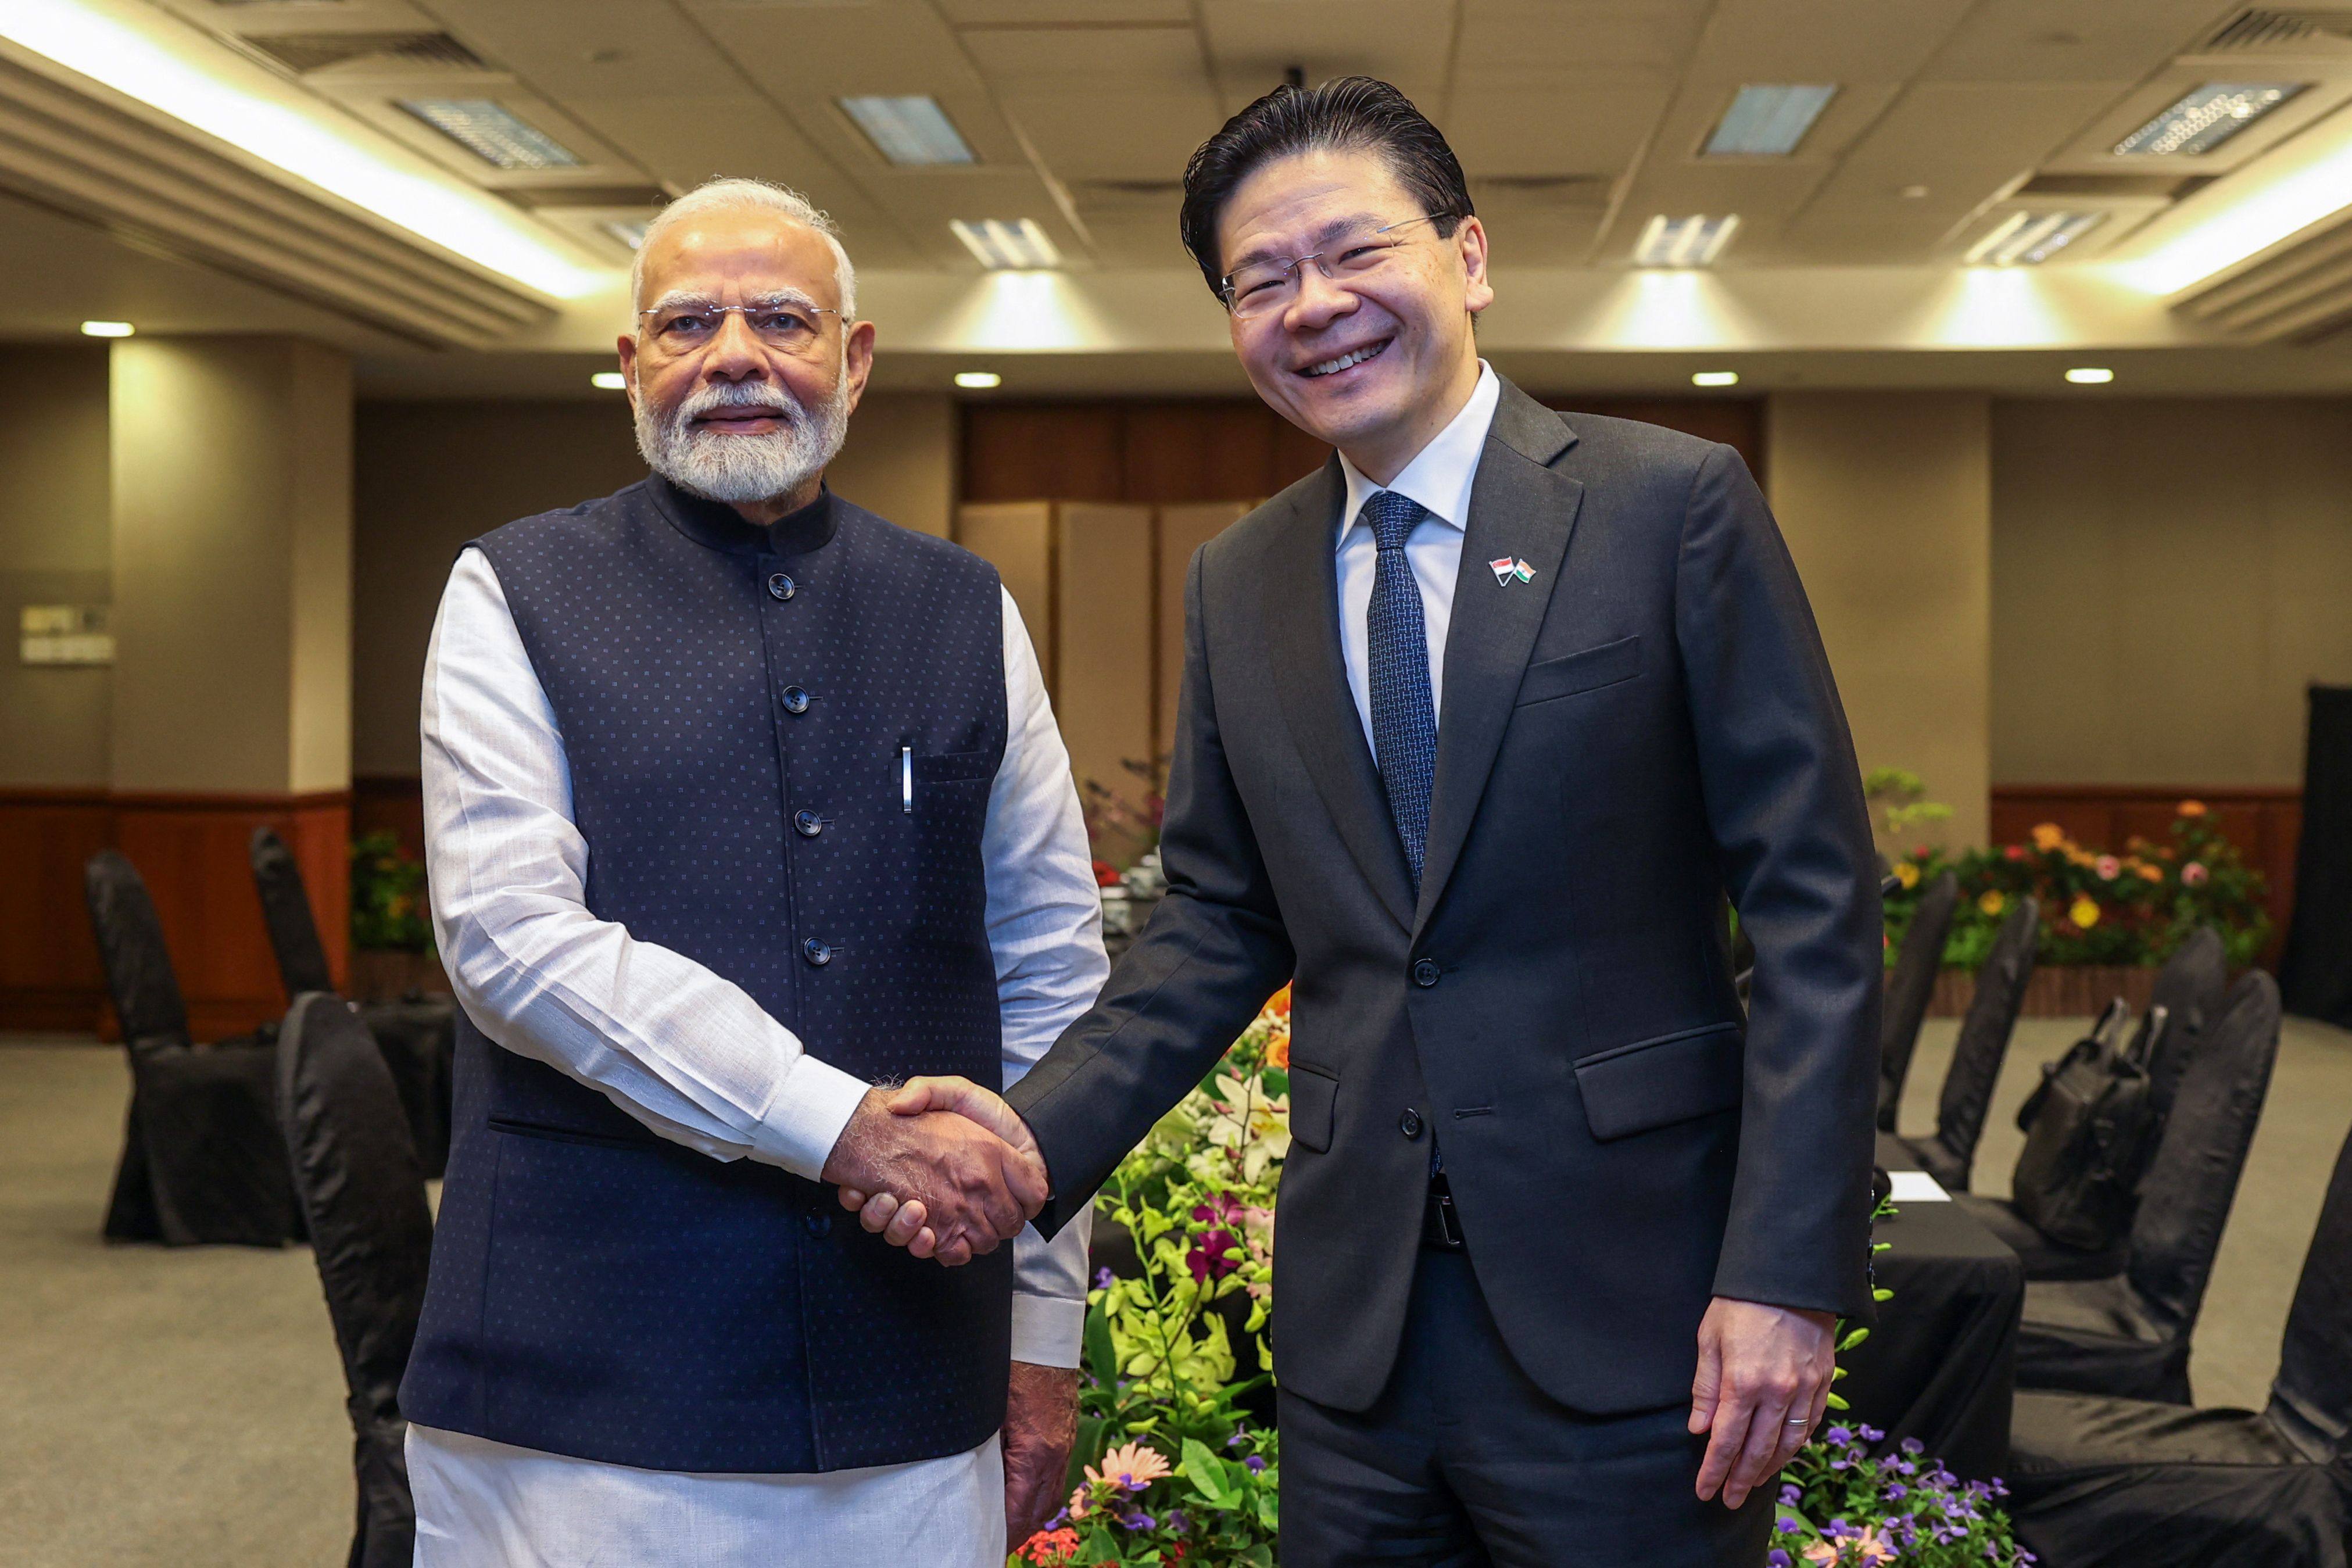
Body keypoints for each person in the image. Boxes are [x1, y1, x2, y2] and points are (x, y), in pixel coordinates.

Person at [849, 78, 1882, 1566]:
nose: (1311, 305)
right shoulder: (1240, 579)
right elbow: (1217, 911)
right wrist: (1028, 1133)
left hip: (1635, 1312)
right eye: (1258, 280)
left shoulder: (1670, 508)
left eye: (1351, 253)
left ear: (1466, 257)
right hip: (1357, 1339)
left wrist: (1785, 1273)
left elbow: (1813, 913)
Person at [398, 176, 1100, 1567]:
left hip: (911, 1368)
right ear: (630, 368)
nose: (733, 353)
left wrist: (1042, 1332)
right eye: (686, 323)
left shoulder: (964, 610)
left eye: (780, 318)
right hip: (581, 1385)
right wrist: (839, 1122)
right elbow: (509, 940)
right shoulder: (509, 591)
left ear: (854, 359)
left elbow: (1049, 975)